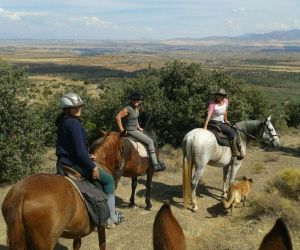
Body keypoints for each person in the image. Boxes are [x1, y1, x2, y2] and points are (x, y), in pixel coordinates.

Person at [55, 92, 124, 228]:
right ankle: (111, 217)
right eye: (75, 107)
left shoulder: (62, 121)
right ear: (66, 109)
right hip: (75, 164)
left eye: (80, 106)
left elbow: (71, 146)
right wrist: (92, 167)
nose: (79, 109)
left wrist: (88, 154)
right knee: (109, 180)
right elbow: (79, 152)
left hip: (62, 162)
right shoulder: (74, 124)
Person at [116, 91, 165, 171]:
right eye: (135, 99)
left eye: (138, 100)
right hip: (131, 131)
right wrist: (121, 129)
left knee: (149, 137)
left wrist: (139, 127)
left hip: (136, 130)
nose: (137, 101)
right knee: (150, 142)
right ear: (131, 100)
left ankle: (153, 160)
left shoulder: (136, 108)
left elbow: (135, 119)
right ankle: (155, 165)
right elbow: (118, 117)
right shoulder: (128, 109)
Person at [203, 88, 242, 159]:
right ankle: (235, 151)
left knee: (233, 131)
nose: (218, 96)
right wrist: (205, 126)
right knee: (232, 133)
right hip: (214, 122)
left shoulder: (226, 101)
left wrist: (226, 120)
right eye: (217, 95)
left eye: (220, 95)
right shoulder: (212, 104)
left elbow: (225, 111)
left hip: (222, 122)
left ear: (223, 96)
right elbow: (209, 114)